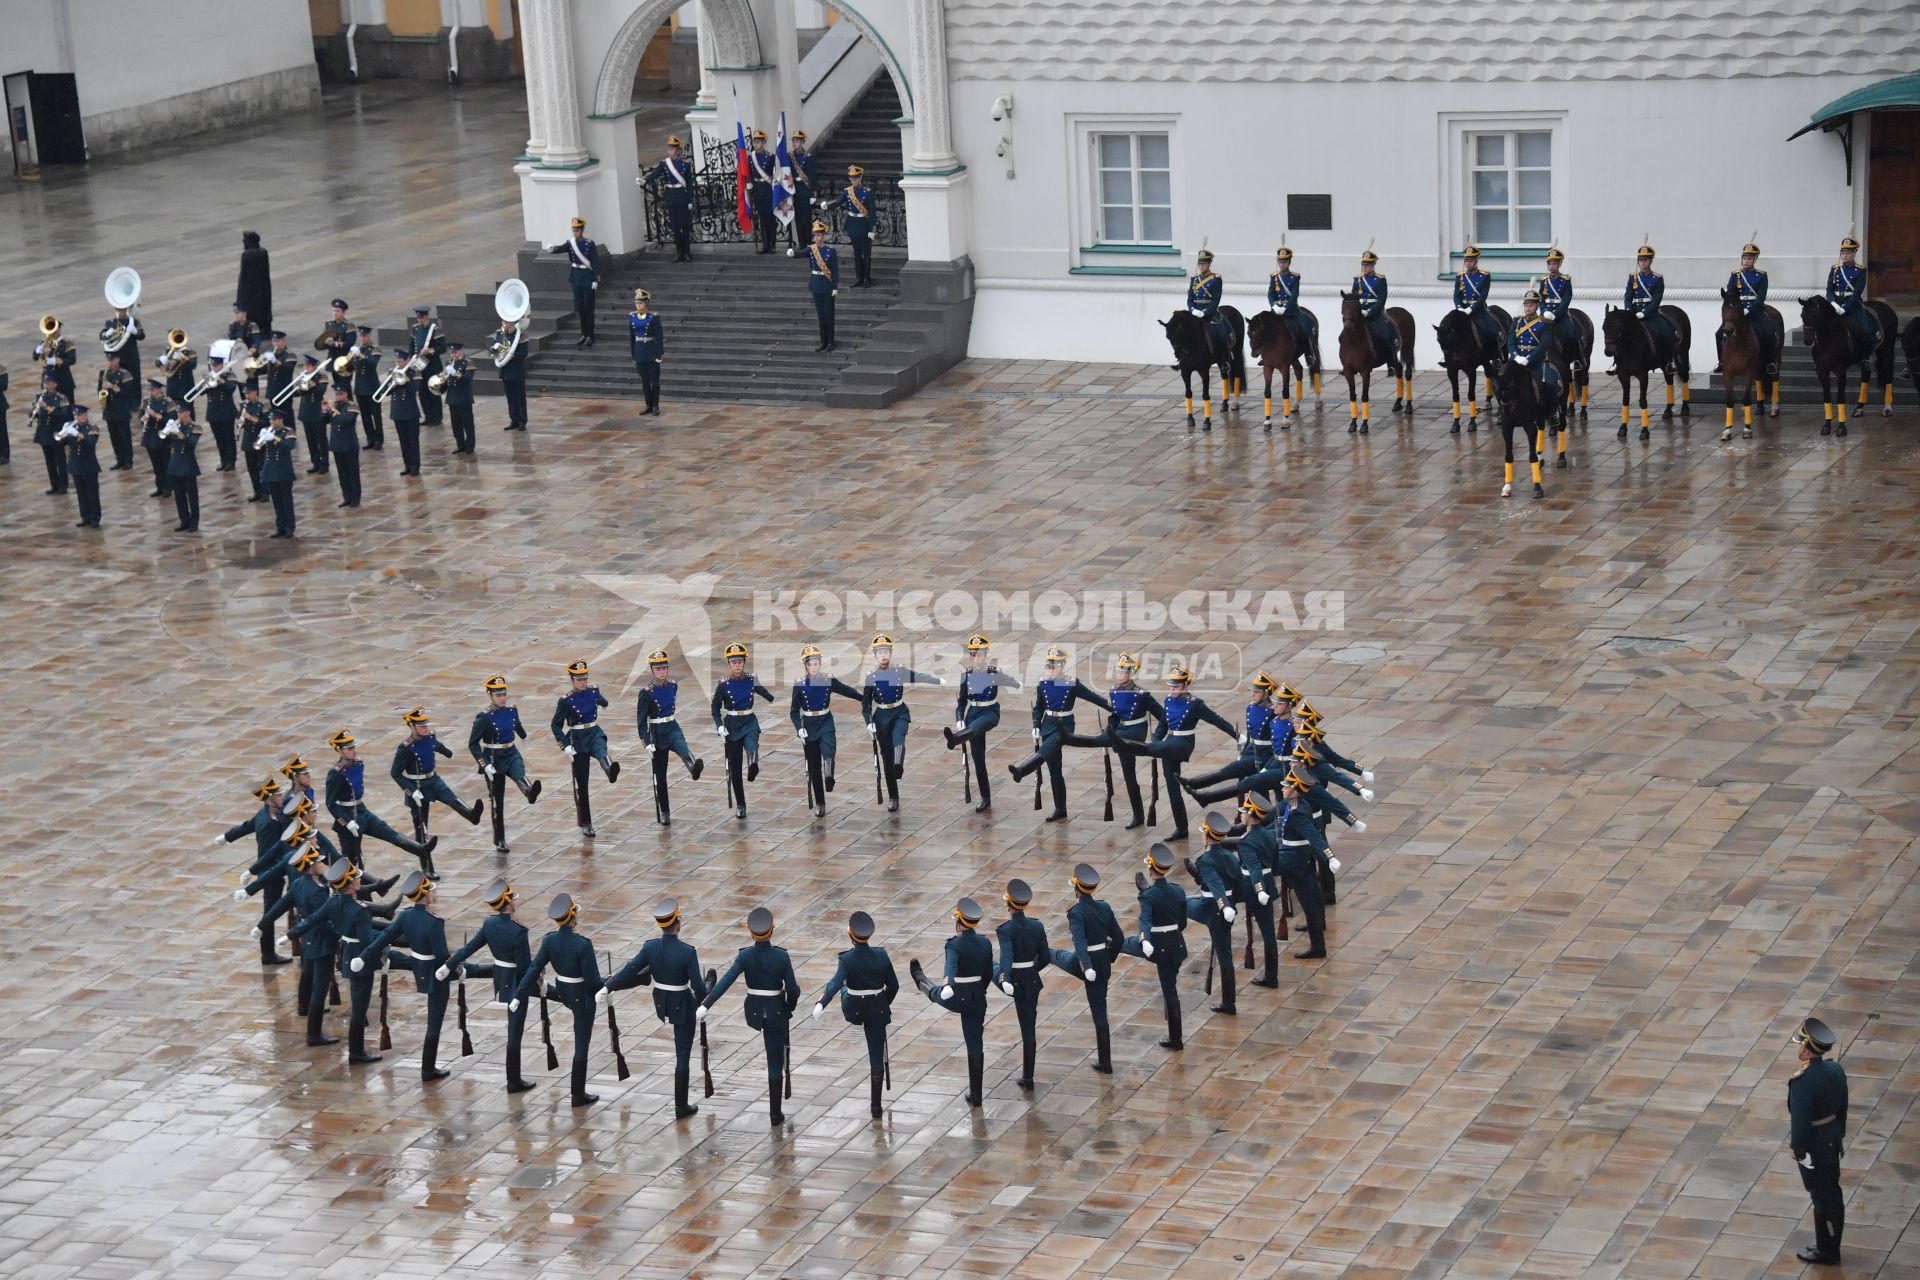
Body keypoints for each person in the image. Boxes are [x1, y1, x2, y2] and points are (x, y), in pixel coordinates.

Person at [604, 897, 711, 1120]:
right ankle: (681, 1106)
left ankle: (681, 1105)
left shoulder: (650, 947)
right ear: (678, 925)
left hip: (663, 1002)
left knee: (681, 1051)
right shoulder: (687, 952)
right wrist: (707, 997)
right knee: (682, 1054)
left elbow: (630, 969)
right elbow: (697, 986)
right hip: (683, 1004)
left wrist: (608, 986)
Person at [1107, 663, 1237, 840]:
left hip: (1183, 743)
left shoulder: (1195, 704)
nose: (1173, 689)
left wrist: (1237, 736)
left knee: (1155, 749)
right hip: (1168, 743)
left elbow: (1217, 721)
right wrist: (1155, 740)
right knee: (1172, 787)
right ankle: (1181, 828)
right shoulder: (1168, 701)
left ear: (1185, 686)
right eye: (1172, 686)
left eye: (1176, 686)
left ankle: (1127, 745)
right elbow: (1162, 726)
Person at [702, 906, 802, 1127]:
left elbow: (726, 981)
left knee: (774, 1059)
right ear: (772, 930)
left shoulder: (744, 955)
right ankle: (775, 1114)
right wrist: (789, 1008)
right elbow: (793, 989)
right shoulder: (781, 956)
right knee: (775, 1062)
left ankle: (775, 1112)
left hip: (755, 1010)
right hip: (776, 1011)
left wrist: (706, 1004)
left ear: (750, 932)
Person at [355, 871, 456, 1082]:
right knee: (434, 1021)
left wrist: (364, 956)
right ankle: (428, 1068)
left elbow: (384, 937)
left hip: (417, 965)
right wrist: (455, 965)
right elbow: (441, 955)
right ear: (425, 895)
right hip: (435, 972)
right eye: (429, 891)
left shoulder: (406, 915)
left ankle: (429, 1067)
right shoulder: (434, 922)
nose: (432, 894)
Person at [510, 894, 606, 1107]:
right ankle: (577, 1094)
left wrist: (519, 994)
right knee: (582, 1044)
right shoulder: (583, 945)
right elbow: (592, 980)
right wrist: (606, 988)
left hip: (564, 992)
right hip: (582, 996)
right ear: (572, 916)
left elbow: (534, 969)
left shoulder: (550, 940)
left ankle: (577, 1093)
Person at [444, 878, 537, 1094]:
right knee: (515, 1031)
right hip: (515, 980)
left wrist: (449, 964)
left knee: (514, 1029)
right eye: (512, 899)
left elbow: (469, 948)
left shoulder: (489, 924)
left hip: (500, 975)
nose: (515, 902)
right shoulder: (518, 931)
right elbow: (524, 967)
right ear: (507, 904)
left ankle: (514, 1079)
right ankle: (514, 1081)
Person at [291, 860, 383, 1065]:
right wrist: (383, 950)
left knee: (357, 1003)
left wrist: (291, 934)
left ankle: (355, 1051)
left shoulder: (334, 901)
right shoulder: (360, 910)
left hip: (346, 956)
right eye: (357, 877)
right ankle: (357, 1052)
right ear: (351, 884)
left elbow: (312, 919)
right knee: (359, 1007)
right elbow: (368, 943)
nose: (360, 879)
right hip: (360, 958)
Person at [1007, 645, 1111, 822]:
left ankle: (1023, 770)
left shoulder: (1071, 683)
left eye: (1054, 666)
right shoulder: (1043, 684)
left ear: (1062, 666)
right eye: (1049, 666)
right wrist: (1036, 725)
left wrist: (1113, 707)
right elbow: (1039, 707)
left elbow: (1092, 697)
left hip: (1064, 725)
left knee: (1053, 744)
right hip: (1048, 724)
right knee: (1054, 769)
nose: (1051, 669)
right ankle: (1060, 808)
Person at [1058, 651, 1159, 829]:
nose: (1120, 675)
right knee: (1101, 742)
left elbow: (1162, 715)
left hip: (1135, 732)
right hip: (1119, 731)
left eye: (1124, 672)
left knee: (1127, 771)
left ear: (1131, 673)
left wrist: (1157, 737)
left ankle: (1138, 815)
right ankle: (1070, 739)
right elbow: (1114, 716)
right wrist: (1110, 727)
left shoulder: (1142, 694)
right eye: (1118, 671)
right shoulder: (1114, 691)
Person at [909, 897, 994, 1108]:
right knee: (976, 1045)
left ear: (958, 922)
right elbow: (988, 974)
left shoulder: (954, 945)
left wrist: (948, 985)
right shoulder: (985, 942)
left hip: (958, 995)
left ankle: (921, 982)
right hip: (977, 997)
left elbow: (951, 968)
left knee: (936, 993)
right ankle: (976, 1096)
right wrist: (980, 991)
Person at [815, 909, 898, 1119]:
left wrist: (822, 1002)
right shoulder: (882, 955)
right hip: (877, 1009)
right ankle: (876, 1107)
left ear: (851, 935)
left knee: (844, 983)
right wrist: (882, 1003)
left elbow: (834, 983)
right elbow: (894, 986)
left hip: (853, 1009)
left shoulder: (847, 959)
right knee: (876, 1057)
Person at [324, 727, 441, 876]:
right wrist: (347, 822)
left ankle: (420, 849)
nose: (354, 751)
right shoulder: (336, 773)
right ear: (340, 751)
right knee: (353, 858)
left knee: (388, 832)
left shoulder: (358, 763)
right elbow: (330, 803)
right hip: (348, 815)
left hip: (361, 810)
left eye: (353, 747)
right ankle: (353, 890)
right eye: (349, 749)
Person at [1047, 863, 1126, 1074]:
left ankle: (1105, 1062)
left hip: (1085, 963)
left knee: (1057, 956)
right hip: (1101, 961)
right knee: (1101, 1010)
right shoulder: (1104, 907)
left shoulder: (1076, 912)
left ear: (1076, 889)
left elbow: (1080, 942)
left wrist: (1088, 967)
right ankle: (1104, 1060)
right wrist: (1109, 957)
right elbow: (1118, 938)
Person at [1786, 1016, 1848, 1265]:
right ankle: (1832, 1243)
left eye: (1799, 1043)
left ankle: (1828, 1250)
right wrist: (1838, 1132)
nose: (1797, 1046)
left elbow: (1800, 1121)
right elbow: (1843, 1106)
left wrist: (1798, 1148)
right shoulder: (1835, 1070)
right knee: (1833, 1191)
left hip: (1814, 1145)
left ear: (1806, 1047)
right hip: (1832, 1137)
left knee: (1820, 1195)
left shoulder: (1803, 1082)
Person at [861, 634, 943, 814]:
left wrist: (937, 680)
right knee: (886, 758)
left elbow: (917, 676)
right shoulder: (871, 677)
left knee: (899, 738)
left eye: (886, 652)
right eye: (880, 652)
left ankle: (899, 764)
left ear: (890, 654)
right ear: (875, 655)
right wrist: (869, 723)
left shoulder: (898, 671)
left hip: (899, 712)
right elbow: (865, 704)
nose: (883, 655)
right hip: (881, 716)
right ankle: (893, 797)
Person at [1121, 845, 1189, 1051]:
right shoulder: (1178, 890)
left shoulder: (1148, 896)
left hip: (1159, 947)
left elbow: (1145, 920)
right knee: (1171, 985)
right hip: (1177, 945)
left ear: (1151, 870)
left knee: (1169, 990)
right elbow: (1183, 923)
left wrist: (1145, 939)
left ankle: (1175, 1038)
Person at [943, 633, 1020, 813]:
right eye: (973, 654)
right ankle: (985, 797)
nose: (976, 658)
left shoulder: (994, 673)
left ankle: (955, 739)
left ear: (985, 655)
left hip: (990, 712)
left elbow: (1012, 682)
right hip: (973, 713)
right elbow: (961, 703)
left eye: (980, 654)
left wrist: (1016, 684)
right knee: (978, 760)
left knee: (977, 727)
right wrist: (960, 719)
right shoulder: (966, 675)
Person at [1183, 672, 1286, 804]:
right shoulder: (1250, 708)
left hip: (1265, 756)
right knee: (1257, 792)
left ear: (1266, 693)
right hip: (1251, 752)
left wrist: (1268, 764)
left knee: (1233, 773)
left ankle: (1196, 785)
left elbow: (1277, 742)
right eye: (1252, 691)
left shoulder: (1272, 714)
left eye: (1256, 692)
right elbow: (1250, 736)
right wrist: (1243, 754)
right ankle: (1195, 785)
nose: (1252, 694)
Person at [468, 675, 543, 854]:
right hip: (493, 757)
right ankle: (500, 838)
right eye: (498, 695)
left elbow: (517, 725)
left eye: (503, 694)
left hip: (511, 752)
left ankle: (529, 792)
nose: (502, 698)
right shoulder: (484, 717)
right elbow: (472, 744)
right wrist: (484, 764)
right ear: (490, 695)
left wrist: (525, 736)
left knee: (519, 773)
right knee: (497, 801)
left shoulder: (511, 710)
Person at [390, 707, 484, 841]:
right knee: (421, 825)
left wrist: (447, 752)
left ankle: (472, 815)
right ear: (412, 727)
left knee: (451, 798)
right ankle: (423, 851)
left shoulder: (429, 736)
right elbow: (395, 773)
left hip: (433, 780)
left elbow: (435, 745)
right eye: (421, 726)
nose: (425, 728)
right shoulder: (405, 748)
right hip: (417, 785)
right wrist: (411, 791)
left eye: (426, 725)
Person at [789, 644, 860, 819]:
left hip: (825, 721)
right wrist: (799, 729)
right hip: (809, 724)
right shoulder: (799, 685)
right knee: (813, 767)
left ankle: (829, 776)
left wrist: (864, 697)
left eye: (816, 663)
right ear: (805, 666)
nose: (813, 667)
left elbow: (845, 690)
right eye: (810, 664)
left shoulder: (828, 679)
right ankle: (820, 802)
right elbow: (793, 711)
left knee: (829, 750)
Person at [634, 649, 704, 827]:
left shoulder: (673, 685)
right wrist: (646, 742)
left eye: (664, 668)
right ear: (652, 670)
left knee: (683, 747)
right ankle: (664, 811)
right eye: (658, 669)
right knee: (661, 775)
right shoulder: (646, 693)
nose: (662, 671)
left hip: (672, 727)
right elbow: (641, 722)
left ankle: (693, 768)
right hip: (656, 731)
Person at [553, 660, 620, 837]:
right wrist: (565, 745)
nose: (583, 682)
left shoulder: (593, 691)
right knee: (582, 783)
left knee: (602, 752)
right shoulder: (566, 701)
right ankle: (587, 823)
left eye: (585, 678)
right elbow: (556, 725)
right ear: (572, 680)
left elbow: (601, 700)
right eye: (579, 679)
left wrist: (605, 704)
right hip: (577, 738)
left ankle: (610, 770)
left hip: (594, 732)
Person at [995, 879, 1048, 1091]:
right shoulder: (1037, 925)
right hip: (1032, 980)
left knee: (991, 968)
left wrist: (1004, 977)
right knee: (1029, 1028)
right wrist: (1032, 970)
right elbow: (1044, 957)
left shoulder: (1006, 930)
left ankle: (1028, 1079)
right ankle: (1028, 1076)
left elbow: (1006, 957)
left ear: (1008, 904)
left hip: (1014, 980)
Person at [1185, 822, 1243, 1014]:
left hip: (1211, 908)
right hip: (1224, 907)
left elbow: (1215, 884)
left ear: (1208, 837)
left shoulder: (1206, 860)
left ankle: (1228, 1003)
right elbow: (1231, 882)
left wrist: (1224, 905)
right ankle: (1229, 1002)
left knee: (1178, 902)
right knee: (1224, 954)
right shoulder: (1230, 857)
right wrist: (1196, 875)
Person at [712, 642, 774, 819]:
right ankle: (741, 804)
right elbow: (715, 708)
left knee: (752, 744)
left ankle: (753, 764)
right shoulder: (723, 684)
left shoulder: (751, 679)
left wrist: (769, 696)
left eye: (740, 661)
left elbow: (762, 691)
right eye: (733, 662)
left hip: (749, 720)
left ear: (744, 662)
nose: (737, 665)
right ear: (729, 664)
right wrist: (720, 725)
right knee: (735, 769)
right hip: (732, 723)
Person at [1716, 240, 1778, 375]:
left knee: (1769, 332)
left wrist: (1748, 309)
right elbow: (1730, 294)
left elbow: (1761, 297)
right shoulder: (1735, 275)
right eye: (1744, 258)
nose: (1746, 261)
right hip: (1737, 311)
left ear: (1754, 259)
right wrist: (1736, 308)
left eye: (1749, 258)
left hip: (1755, 310)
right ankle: (1721, 362)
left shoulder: (1761, 276)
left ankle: (1770, 362)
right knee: (1719, 334)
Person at [1267, 243, 1320, 372]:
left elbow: (1294, 295)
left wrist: (1286, 308)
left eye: (1285, 262)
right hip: (1276, 309)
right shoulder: (1274, 277)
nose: (1282, 264)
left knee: (1304, 328)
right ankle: (1266, 355)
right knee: (1265, 328)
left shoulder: (1295, 277)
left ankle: (1308, 354)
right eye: (1280, 261)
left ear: (1289, 262)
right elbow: (1270, 293)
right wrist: (1274, 306)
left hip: (1291, 310)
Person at [549, 217, 600, 347]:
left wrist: (595, 279)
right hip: (576, 278)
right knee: (581, 308)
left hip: (587, 278)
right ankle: (583, 334)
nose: (575, 232)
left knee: (589, 308)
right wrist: (552, 249)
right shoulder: (571, 243)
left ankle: (590, 336)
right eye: (573, 230)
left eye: (577, 230)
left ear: (582, 230)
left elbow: (595, 262)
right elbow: (561, 248)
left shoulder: (589, 244)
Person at [1827, 233, 1878, 358]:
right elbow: (1829, 289)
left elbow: (1857, 293)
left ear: (1854, 253)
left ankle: (1865, 358)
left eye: (1848, 253)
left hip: (1852, 304)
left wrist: (1845, 308)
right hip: (1835, 303)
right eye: (1843, 253)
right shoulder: (1835, 269)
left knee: (1865, 329)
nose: (1845, 256)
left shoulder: (1860, 270)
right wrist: (1832, 303)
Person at [1624, 241, 1678, 356]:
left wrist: (1645, 313)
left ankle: (1669, 361)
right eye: (1641, 260)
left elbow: (1656, 300)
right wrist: (1628, 310)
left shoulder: (1657, 278)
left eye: (1646, 260)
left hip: (1652, 314)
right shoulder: (1632, 278)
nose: (1643, 263)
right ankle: (1617, 363)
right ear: (1638, 262)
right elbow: (1628, 297)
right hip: (1634, 312)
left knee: (1666, 333)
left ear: (1651, 261)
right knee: (1618, 333)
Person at [1534, 246, 1581, 373]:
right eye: (1549, 263)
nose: (1551, 266)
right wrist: (1544, 312)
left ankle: (1577, 359)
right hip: (1546, 315)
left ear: (1559, 264)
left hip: (1561, 315)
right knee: (1533, 332)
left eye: (1554, 263)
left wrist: (1555, 314)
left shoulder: (1565, 280)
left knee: (1572, 333)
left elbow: (1566, 300)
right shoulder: (1544, 281)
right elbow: (1541, 299)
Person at [650, 136, 696, 262]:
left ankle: (687, 252)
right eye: (668, 148)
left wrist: (690, 200)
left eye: (671, 149)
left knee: (684, 227)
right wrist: (645, 180)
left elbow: (690, 184)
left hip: (682, 197)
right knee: (675, 227)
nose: (669, 151)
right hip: (671, 197)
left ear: (677, 150)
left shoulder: (685, 164)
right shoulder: (665, 164)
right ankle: (679, 252)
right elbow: (656, 173)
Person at [1453, 244, 1502, 360]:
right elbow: (1456, 295)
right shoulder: (1460, 277)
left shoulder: (1484, 276)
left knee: (1493, 331)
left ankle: (1496, 358)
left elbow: (1483, 297)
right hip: (1462, 310)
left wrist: (1471, 309)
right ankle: (1450, 357)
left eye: (1471, 260)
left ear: (1476, 261)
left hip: (1478, 311)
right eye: (1466, 260)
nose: (1468, 263)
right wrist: (1459, 307)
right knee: (1449, 330)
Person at [57, 405, 102, 528]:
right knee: (81, 493)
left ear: (86, 415)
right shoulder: (73, 427)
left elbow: (90, 443)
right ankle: (85, 517)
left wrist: (77, 434)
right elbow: (61, 443)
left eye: (80, 415)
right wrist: (63, 433)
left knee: (92, 493)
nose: (78, 417)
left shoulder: (92, 428)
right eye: (76, 415)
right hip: (75, 465)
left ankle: (95, 518)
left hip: (88, 465)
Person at [1508, 292, 1558, 398]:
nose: (1528, 308)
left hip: (1536, 361)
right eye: (1526, 305)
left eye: (1531, 305)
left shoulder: (1544, 323)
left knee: (1551, 384)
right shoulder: (1516, 322)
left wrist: (1529, 359)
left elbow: (1544, 345)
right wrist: (1516, 356)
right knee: (1501, 381)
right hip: (1517, 359)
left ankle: (1548, 410)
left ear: (1537, 306)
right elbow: (1511, 342)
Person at [161, 401, 202, 532]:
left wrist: (178, 433)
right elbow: (166, 442)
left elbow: (191, 443)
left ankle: (194, 522)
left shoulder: (195, 427)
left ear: (188, 412)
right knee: (179, 496)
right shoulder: (176, 425)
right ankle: (184, 520)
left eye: (181, 412)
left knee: (192, 496)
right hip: (175, 462)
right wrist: (167, 431)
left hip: (188, 463)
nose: (179, 415)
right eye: (178, 412)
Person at [385, 347, 424, 477]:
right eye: (397, 361)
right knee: (403, 441)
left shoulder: (414, 372)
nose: (398, 363)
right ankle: (407, 465)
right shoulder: (393, 371)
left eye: (400, 361)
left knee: (413, 441)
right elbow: (386, 391)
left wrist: (405, 379)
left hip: (410, 411)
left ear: (407, 361)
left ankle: (415, 466)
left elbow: (414, 390)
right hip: (397, 411)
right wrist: (392, 383)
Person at [200, 349, 241, 472]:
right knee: (219, 439)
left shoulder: (230, 375)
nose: (215, 367)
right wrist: (207, 383)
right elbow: (200, 392)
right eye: (213, 365)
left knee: (229, 438)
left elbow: (231, 389)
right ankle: (223, 461)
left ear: (222, 365)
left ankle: (231, 462)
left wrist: (220, 380)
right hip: (213, 413)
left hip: (226, 412)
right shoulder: (210, 375)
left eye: (217, 365)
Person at [1188, 246, 1230, 363]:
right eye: (1200, 264)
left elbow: (1216, 300)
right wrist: (1193, 310)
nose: (1201, 266)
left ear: (1209, 264)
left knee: (1221, 332)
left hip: (1210, 312)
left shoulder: (1216, 279)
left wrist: (1205, 312)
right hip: (1195, 312)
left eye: (1204, 264)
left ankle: (1224, 358)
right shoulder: (1194, 279)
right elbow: (1190, 299)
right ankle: (1183, 359)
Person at [29, 374, 70, 495]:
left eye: (49, 383)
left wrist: (47, 407)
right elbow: (35, 415)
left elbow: (63, 414)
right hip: (44, 433)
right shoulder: (39, 397)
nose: (46, 385)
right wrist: (32, 410)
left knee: (60, 460)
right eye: (45, 383)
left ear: (55, 384)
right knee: (49, 461)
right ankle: (54, 484)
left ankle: (63, 484)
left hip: (56, 432)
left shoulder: (62, 398)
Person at [261, 409, 298, 538]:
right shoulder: (269, 431)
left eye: (274, 419)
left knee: (286, 500)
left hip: (283, 470)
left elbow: (288, 447)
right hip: (270, 470)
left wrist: (275, 438)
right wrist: (262, 437)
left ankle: (289, 527)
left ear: (281, 419)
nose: (272, 422)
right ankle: (280, 526)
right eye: (271, 420)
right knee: (276, 501)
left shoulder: (288, 431)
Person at [97, 351, 137, 470]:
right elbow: (99, 390)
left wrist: (113, 387)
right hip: (109, 409)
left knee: (124, 436)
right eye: (109, 360)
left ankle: (128, 460)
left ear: (117, 360)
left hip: (121, 409)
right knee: (114, 437)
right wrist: (102, 391)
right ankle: (119, 459)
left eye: (112, 360)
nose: (110, 363)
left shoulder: (125, 374)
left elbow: (128, 393)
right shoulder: (104, 373)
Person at [838, 165, 876, 287]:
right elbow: (839, 201)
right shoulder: (847, 192)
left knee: (866, 253)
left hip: (864, 225)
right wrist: (826, 205)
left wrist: (871, 229)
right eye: (851, 179)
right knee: (857, 253)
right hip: (853, 225)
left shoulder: (867, 192)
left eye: (855, 178)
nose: (853, 181)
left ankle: (866, 278)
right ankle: (859, 277)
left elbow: (873, 212)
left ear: (860, 178)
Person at [1353, 246, 1394, 358]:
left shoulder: (1380, 280)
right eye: (1363, 265)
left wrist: (1371, 312)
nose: (1364, 267)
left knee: (1385, 336)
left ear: (1372, 266)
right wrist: (1358, 310)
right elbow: (1354, 298)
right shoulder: (1357, 280)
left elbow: (1381, 300)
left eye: (1367, 265)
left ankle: (1391, 361)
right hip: (1360, 313)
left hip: (1375, 312)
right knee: (1343, 336)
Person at [628, 290, 664, 416]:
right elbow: (632, 338)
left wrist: (659, 354)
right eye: (636, 302)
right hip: (639, 352)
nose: (638, 305)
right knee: (644, 381)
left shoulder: (653, 317)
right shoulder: (632, 317)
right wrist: (633, 354)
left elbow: (659, 337)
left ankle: (655, 405)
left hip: (651, 351)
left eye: (640, 302)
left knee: (654, 380)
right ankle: (648, 405)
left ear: (646, 303)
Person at [806, 221, 840, 352]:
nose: (816, 238)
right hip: (816, 285)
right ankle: (823, 341)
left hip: (827, 286)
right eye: (815, 235)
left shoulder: (830, 251)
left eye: (819, 235)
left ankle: (831, 341)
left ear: (823, 236)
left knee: (828, 315)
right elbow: (802, 253)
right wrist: (792, 254)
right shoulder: (811, 250)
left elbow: (835, 270)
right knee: (820, 315)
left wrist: (835, 286)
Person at [349, 326, 384, 449]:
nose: (363, 338)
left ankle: (379, 439)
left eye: (365, 336)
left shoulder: (375, 350)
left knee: (376, 415)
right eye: (361, 336)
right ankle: (370, 438)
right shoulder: (357, 350)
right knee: (365, 416)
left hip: (372, 387)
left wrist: (361, 356)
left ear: (370, 337)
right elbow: (352, 367)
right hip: (360, 387)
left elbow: (372, 364)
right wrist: (353, 357)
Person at [408, 307, 444, 426]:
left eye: (422, 318)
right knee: (422, 392)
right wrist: (412, 358)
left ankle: (437, 417)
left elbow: (442, 347)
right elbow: (412, 345)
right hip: (419, 365)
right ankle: (428, 416)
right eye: (418, 318)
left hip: (432, 365)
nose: (420, 320)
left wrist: (430, 350)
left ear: (426, 317)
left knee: (433, 391)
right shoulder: (415, 329)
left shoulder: (435, 329)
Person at [326, 390, 362, 509]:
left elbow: (344, 420)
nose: (338, 396)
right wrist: (324, 410)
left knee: (352, 472)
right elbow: (324, 421)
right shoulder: (335, 406)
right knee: (342, 473)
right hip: (337, 444)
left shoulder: (352, 406)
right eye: (337, 394)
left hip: (349, 443)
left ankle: (355, 498)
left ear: (346, 394)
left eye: (341, 394)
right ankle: (347, 497)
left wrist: (333, 410)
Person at [294, 355, 329, 474]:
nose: (306, 368)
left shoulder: (321, 377)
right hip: (306, 411)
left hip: (317, 411)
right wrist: (300, 383)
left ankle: (324, 463)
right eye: (305, 366)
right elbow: (297, 393)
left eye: (308, 366)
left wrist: (311, 382)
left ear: (314, 367)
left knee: (321, 439)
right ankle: (315, 462)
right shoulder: (304, 377)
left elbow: (320, 391)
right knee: (311, 440)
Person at [494, 314, 529, 431]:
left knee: (520, 396)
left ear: (513, 322)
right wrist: (495, 350)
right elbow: (494, 350)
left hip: (517, 369)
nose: (505, 323)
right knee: (510, 397)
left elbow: (524, 352)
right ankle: (514, 419)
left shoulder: (521, 334)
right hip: (506, 370)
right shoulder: (500, 333)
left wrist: (512, 355)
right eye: (504, 321)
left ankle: (522, 421)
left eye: (507, 321)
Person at [441, 343, 477, 454]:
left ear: (461, 351)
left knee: (467, 422)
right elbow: (446, 379)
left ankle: (470, 445)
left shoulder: (468, 363)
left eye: (455, 352)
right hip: (452, 396)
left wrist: (455, 373)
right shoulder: (449, 363)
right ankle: (460, 444)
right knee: (455, 423)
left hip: (464, 396)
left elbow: (467, 378)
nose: (453, 354)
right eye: (451, 352)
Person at [137, 378, 171, 496]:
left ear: (159, 390)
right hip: (150, 436)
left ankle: (168, 487)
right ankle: (159, 486)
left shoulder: (168, 403)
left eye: (155, 390)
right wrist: (143, 418)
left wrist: (156, 415)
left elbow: (170, 420)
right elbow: (140, 414)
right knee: (156, 464)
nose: (152, 392)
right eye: (151, 390)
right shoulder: (147, 402)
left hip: (162, 436)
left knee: (165, 463)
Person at [746, 131, 777, 254]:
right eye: (754, 141)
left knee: (770, 219)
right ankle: (765, 244)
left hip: (768, 190)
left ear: (764, 142)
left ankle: (772, 245)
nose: (756, 144)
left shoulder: (770, 157)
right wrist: (749, 183)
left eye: (758, 142)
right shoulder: (750, 157)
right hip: (757, 190)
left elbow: (774, 175)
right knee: (762, 219)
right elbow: (748, 173)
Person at [237, 384, 269, 502]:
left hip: (259, 439)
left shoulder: (263, 405)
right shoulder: (243, 405)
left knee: (262, 467)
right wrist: (239, 422)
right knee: (252, 468)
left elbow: (266, 422)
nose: (247, 396)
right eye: (246, 394)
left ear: (255, 392)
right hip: (248, 440)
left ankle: (265, 492)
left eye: (249, 393)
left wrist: (251, 418)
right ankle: (257, 491)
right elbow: (238, 418)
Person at [236, 230, 273, 332]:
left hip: (250, 290)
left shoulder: (247, 255)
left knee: (252, 313)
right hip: (263, 287)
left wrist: (240, 300)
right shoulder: (263, 252)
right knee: (263, 309)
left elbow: (244, 276)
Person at [316, 298, 353, 394]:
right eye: (334, 310)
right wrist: (325, 342)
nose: (335, 313)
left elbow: (349, 343)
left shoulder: (348, 326)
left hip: (344, 361)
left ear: (343, 312)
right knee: (337, 388)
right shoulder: (329, 324)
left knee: (345, 389)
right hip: (333, 359)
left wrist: (335, 344)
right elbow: (322, 340)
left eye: (338, 311)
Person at [788, 131, 815, 253]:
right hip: (795, 190)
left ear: (802, 142)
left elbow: (812, 176)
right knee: (798, 218)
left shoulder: (808, 157)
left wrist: (812, 193)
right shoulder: (790, 156)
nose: (795, 143)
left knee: (806, 218)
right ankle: (801, 243)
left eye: (797, 141)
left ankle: (809, 243)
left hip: (805, 190)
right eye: (793, 141)